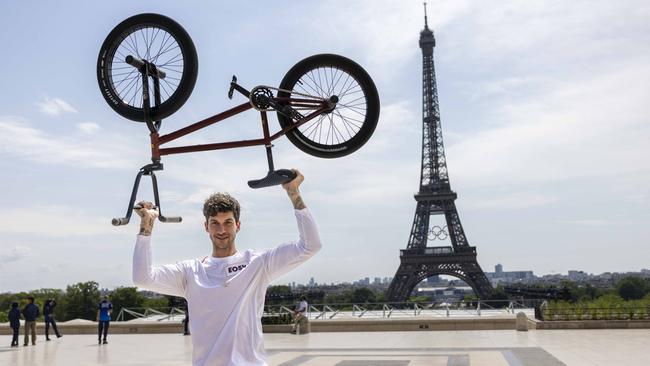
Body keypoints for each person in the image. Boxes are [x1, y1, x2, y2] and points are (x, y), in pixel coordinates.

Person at [133, 170, 321, 366]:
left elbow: (311, 245)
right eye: (215, 223)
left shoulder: (258, 263)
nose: (221, 230)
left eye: (228, 223)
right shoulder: (191, 272)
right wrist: (147, 224)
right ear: (206, 227)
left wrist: (294, 193)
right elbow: (142, 278)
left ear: (237, 225)